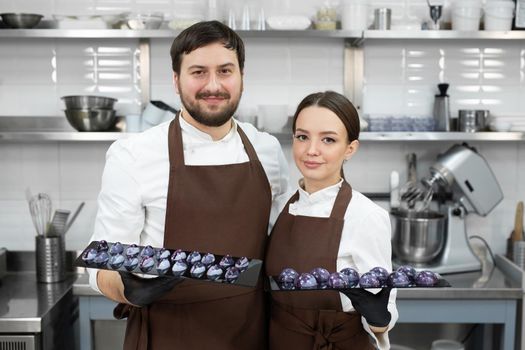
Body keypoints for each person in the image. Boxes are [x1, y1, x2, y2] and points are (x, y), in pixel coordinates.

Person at [88, 20, 290, 350]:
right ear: (176, 81)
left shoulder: (267, 150)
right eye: (198, 72)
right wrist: (129, 289)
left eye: (225, 71)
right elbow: (101, 267)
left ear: (241, 77)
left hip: (251, 334)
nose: (213, 85)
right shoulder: (133, 155)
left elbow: (283, 247)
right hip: (168, 335)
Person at [265, 91, 398, 350]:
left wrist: (377, 315)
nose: (311, 150)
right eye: (302, 137)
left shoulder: (366, 216)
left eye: (328, 139)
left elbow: (383, 317)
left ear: (350, 148)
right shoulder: (278, 208)